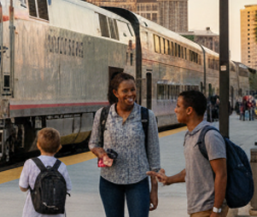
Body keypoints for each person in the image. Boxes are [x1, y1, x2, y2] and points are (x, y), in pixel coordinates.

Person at [89, 72, 161, 217]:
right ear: (115, 93)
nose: (130, 94)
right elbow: (93, 142)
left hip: (138, 181)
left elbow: (154, 154)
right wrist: (101, 153)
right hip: (109, 181)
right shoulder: (102, 114)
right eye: (125, 91)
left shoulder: (147, 116)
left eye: (133, 90)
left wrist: (154, 189)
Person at [148, 90, 228, 217]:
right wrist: (168, 180)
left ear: (189, 110)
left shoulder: (210, 136)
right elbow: (191, 170)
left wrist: (216, 211)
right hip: (196, 209)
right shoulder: (190, 136)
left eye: (178, 106)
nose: (175, 110)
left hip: (207, 209)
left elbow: (222, 174)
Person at [19, 127, 72, 217]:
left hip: (33, 213)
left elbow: (23, 187)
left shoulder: (30, 163)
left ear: (38, 145)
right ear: (59, 147)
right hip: (56, 214)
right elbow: (68, 188)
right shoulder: (61, 166)